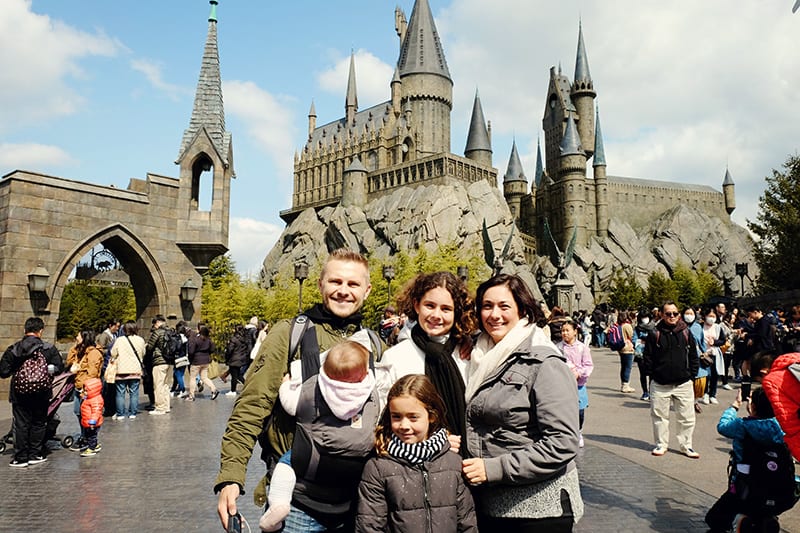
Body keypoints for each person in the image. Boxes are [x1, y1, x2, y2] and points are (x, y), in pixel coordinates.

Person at [215, 248, 376, 532]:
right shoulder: (288, 334)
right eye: (335, 282)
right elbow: (252, 406)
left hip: (356, 501)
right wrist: (231, 475)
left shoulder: (373, 345)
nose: (343, 291)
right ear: (320, 284)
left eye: (353, 284)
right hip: (296, 501)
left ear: (367, 290)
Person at [462, 274, 583, 531]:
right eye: (487, 306)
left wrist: (494, 468)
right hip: (491, 504)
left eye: (504, 306)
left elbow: (563, 443)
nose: (494, 314)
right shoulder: (478, 357)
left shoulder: (544, 361)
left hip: (539, 510)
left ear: (523, 310)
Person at [259, 336, 378, 532]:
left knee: (286, 464)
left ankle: (279, 503)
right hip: (356, 465)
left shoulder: (312, 389)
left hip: (311, 460)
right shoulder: (371, 391)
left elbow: (289, 404)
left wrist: (285, 385)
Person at [356, 374, 478, 532]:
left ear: (432, 417)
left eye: (413, 417)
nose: (404, 425)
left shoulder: (452, 463)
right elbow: (369, 526)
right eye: (396, 417)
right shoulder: (378, 468)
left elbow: (467, 521)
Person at [375, 271, 477, 456]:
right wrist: (432, 444)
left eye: (446, 309)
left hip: (470, 464)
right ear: (416, 305)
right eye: (429, 306)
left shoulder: (470, 354)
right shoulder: (395, 357)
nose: (436, 315)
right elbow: (384, 426)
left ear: (456, 312)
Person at [704, 388, 787, 532]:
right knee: (763, 507)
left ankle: (742, 522)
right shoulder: (781, 427)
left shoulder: (742, 425)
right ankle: (767, 519)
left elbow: (722, 427)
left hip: (744, 483)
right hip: (776, 484)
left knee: (714, 519)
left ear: (753, 406)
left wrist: (734, 406)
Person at [0, 317, 64, 467]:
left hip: (19, 394)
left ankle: (20, 457)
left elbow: (3, 371)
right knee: (39, 423)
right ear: (40, 331)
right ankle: (35, 454)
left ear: (25, 330)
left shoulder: (14, 348)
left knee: (21, 424)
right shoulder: (48, 349)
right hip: (41, 393)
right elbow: (59, 368)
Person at [643, 301, 700, 458]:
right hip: (660, 383)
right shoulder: (654, 333)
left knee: (687, 417)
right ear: (662, 315)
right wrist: (653, 374)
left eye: (675, 313)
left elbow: (694, 356)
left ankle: (686, 445)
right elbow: (647, 357)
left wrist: (691, 375)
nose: (672, 316)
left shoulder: (686, 333)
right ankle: (661, 444)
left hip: (683, 382)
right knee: (660, 417)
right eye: (668, 314)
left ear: (679, 315)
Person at [557, 319, 594, 448]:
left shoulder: (582, 348)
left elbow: (588, 365)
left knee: (579, 411)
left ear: (575, 332)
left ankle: (578, 432)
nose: (564, 333)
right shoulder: (558, 348)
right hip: (563, 385)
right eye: (562, 331)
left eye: (567, 330)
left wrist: (579, 373)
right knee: (564, 411)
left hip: (579, 385)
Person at [66, 329, 103, 451]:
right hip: (78, 386)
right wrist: (75, 347)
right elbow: (69, 361)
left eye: (78, 336)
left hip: (86, 389)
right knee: (78, 412)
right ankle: (84, 436)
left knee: (87, 414)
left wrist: (86, 389)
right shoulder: (80, 351)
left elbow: (92, 373)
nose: (76, 337)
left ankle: (89, 439)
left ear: (85, 338)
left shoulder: (93, 353)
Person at [109, 320, 146, 419]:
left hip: (121, 369)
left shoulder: (119, 340)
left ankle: (120, 414)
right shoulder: (140, 340)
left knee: (120, 393)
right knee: (134, 393)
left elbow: (113, 353)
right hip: (135, 370)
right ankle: (133, 413)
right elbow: (143, 353)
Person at [146, 314, 173, 415]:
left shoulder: (157, 332)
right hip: (170, 362)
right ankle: (166, 406)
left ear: (157, 323)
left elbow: (150, 347)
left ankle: (160, 408)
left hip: (159, 361)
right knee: (166, 385)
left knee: (158, 385)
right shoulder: (171, 331)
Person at [684, 307, 708, 414]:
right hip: (683, 357)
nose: (689, 316)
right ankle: (689, 403)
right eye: (687, 313)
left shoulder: (698, 327)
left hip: (697, 357)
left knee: (699, 382)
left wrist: (705, 352)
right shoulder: (680, 327)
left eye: (691, 313)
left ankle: (695, 401)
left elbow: (702, 341)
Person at [702, 308, 726, 405]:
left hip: (714, 353)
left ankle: (713, 394)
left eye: (713, 316)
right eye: (709, 316)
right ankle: (705, 394)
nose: (711, 318)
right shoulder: (700, 326)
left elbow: (723, 340)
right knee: (706, 375)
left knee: (715, 375)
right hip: (704, 354)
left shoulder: (718, 327)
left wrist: (715, 342)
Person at [187, 325, 218, 401]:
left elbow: (191, 351)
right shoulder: (209, 340)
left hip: (196, 361)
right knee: (204, 377)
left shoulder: (196, 340)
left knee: (193, 378)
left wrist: (191, 359)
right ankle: (214, 389)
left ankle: (191, 395)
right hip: (206, 360)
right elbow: (213, 349)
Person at [78, 377, 104, 457]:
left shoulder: (96, 400)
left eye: (86, 390)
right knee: (90, 435)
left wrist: (93, 421)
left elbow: (96, 412)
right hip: (87, 421)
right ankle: (95, 446)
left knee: (91, 436)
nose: (84, 392)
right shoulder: (90, 398)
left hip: (92, 423)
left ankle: (91, 448)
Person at [634, 310, 655, 401]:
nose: (645, 319)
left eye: (646, 317)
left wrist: (645, 340)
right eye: (643, 317)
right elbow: (635, 340)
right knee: (643, 374)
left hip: (652, 354)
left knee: (652, 374)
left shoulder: (654, 327)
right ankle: (645, 392)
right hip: (641, 354)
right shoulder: (637, 329)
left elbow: (655, 339)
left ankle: (651, 392)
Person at [224, 324, 250, 397]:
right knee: (238, 375)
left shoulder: (234, 339)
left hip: (234, 359)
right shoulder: (244, 339)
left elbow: (230, 349)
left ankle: (233, 390)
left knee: (234, 376)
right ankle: (246, 386)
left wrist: (227, 357)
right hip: (241, 359)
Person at [618, 311, 636, 393]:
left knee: (623, 367)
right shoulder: (627, 325)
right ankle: (626, 385)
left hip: (621, 348)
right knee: (628, 367)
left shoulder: (619, 325)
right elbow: (632, 335)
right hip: (628, 348)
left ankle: (623, 384)